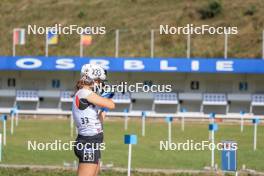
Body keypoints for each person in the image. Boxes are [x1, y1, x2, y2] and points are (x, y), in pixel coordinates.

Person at [72, 64, 115, 176]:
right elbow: (111, 105)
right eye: (99, 81)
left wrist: (104, 106)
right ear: (93, 79)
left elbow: (99, 120)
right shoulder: (85, 93)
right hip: (88, 142)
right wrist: (107, 96)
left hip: (93, 141)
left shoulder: (86, 94)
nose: (101, 84)